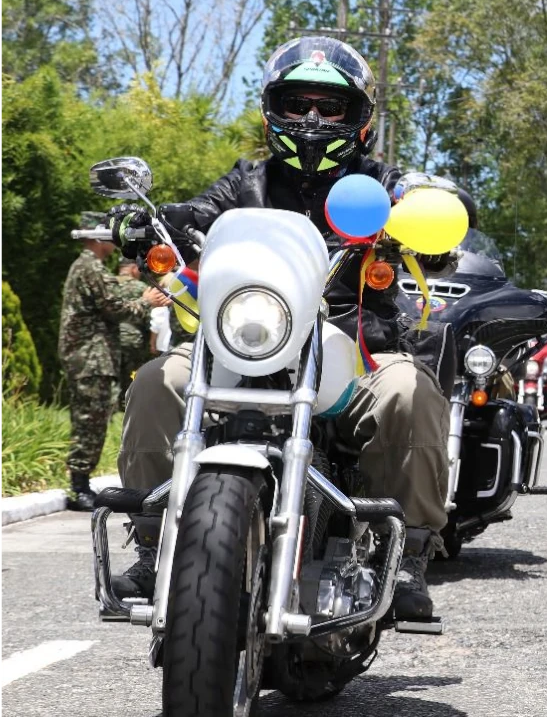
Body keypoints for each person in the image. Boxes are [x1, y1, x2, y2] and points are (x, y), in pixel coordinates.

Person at [107, 36, 458, 622]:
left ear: (359, 118)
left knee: (411, 390)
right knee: (158, 379)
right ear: (274, 109)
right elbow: (195, 214)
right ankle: (153, 541)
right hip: (249, 342)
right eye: (298, 104)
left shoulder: (381, 185)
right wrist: (149, 222)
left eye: (331, 107)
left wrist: (428, 220)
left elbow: (430, 219)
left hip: (354, 350)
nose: (314, 119)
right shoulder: (247, 182)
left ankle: (408, 557)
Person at [59, 232, 168, 511]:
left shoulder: (86, 267)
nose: (115, 243)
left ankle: (81, 482)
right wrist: (146, 302)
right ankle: (79, 487)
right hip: (91, 356)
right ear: (98, 240)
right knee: (91, 419)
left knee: (91, 417)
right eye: (110, 238)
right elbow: (113, 307)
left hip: (92, 355)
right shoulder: (90, 267)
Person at [114, 259, 151, 409]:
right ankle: (128, 407)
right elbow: (150, 317)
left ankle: (110, 407)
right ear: (134, 268)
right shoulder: (142, 288)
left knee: (111, 376)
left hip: (110, 339)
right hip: (133, 339)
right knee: (131, 377)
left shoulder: (108, 285)